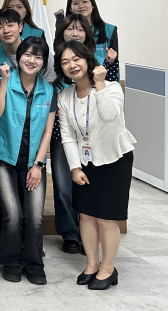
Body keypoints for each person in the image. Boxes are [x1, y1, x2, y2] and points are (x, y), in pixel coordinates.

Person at [55, 41, 135, 291]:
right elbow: (67, 136)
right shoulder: (64, 97)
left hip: (114, 159)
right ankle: (92, 264)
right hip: (85, 161)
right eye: (65, 62)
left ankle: (108, 268)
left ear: (87, 60)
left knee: (106, 218)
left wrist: (99, 84)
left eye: (76, 59)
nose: (71, 65)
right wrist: (74, 167)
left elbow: (110, 116)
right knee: (86, 215)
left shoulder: (111, 88)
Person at [0, 37, 55, 284]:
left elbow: (47, 131)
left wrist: (38, 165)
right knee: (13, 215)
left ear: (44, 62)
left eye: (38, 56)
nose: (32, 60)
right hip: (2, 157)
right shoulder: (3, 81)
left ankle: (34, 263)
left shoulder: (49, 90)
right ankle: (11, 261)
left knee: (35, 217)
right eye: (28, 54)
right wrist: (4, 81)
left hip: (33, 161)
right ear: (19, 57)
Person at [50, 14, 120, 254]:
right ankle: (72, 234)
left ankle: (95, 243)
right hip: (66, 134)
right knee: (66, 187)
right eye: (70, 28)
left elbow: (110, 110)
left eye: (80, 29)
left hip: (99, 142)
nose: (75, 33)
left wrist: (104, 75)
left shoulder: (101, 67)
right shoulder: (57, 69)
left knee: (94, 195)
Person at [56, 0, 120, 79]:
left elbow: (113, 60)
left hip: (101, 78)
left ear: (92, 5)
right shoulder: (65, 30)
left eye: (84, 1)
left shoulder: (109, 30)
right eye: (75, 3)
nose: (81, 6)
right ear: (70, 8)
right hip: (69, 79)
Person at [0, 9, 55, 83]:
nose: (6, 31)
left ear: (20, 27)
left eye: (10, 25)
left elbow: (50, 84)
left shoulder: (41, 51)